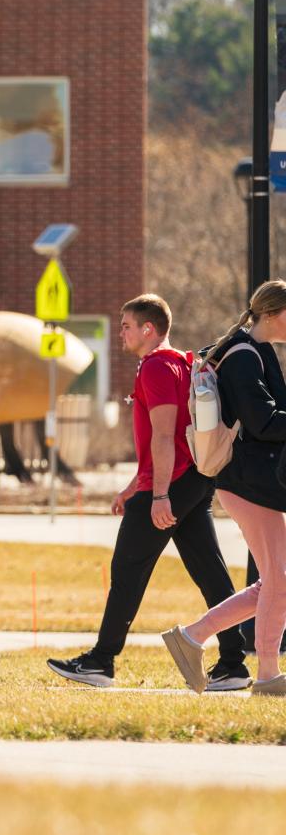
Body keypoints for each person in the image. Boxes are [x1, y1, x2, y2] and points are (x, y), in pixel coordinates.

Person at [48, 295, 248, 690]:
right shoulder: (181, 362)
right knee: (210, 571)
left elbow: (162, 434)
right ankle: (234, 665)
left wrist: (157, 496)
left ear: (148, 329)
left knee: (127, 572)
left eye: (125, 325)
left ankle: (100, 662)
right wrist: (133, 486)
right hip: (191, 478)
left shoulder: (156, 366)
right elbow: (171, 437)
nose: (120, 332)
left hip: (171, 483)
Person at [163, 281, 286, 696]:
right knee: (280, 579)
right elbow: (263, 423)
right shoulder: (243, 357)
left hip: (254, 481)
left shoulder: (257, 352)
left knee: (273, 580)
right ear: (273, 314)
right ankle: (268, 676)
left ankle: (192, 636)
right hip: (248, 482)